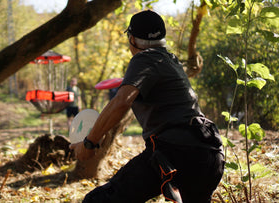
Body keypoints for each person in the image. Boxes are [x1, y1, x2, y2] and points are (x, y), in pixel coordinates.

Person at [70, 10, 224, 203]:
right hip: (209, 153)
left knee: (99, 200)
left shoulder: (144, 58)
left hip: (175, 151)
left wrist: (89, 142)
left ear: (132, 39)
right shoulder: (170, 60)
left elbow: (121, 102)